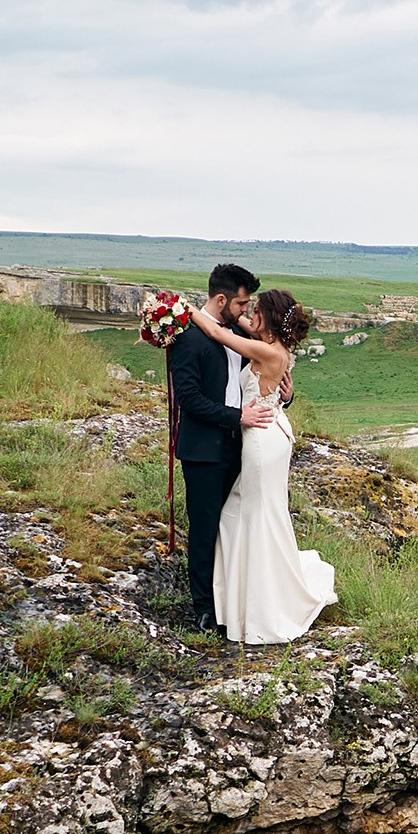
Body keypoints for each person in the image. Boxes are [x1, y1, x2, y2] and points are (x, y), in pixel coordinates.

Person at [187, 287, 338, 645]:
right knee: (255, 513)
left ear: (267, 320)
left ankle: (259, 606)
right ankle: (244, 599)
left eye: (255, 312)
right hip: (272, 431)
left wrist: (177, 309)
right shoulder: (272, 344)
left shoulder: (266, 350)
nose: (248, 316)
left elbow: (216, 332)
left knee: (253, 515)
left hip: (261, 441)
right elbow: (236, 322)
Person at [168, 262, 276, 633]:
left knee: (235, 527)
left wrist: (282, 400)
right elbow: (189, 398)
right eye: (242, 303)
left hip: (243, 449)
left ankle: (231, 600)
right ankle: (202, 607)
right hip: (203, 451)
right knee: (204, 528)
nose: (246, 310)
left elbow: (262, 386)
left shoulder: (241, 337)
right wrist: (236, 418)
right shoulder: (188, 338)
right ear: (221, 298)